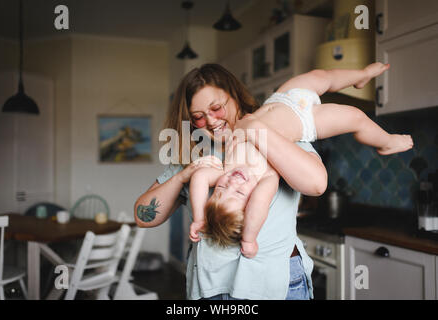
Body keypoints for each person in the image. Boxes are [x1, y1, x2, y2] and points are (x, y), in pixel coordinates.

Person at [135, 63, 341, 300]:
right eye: (198, 117)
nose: (211, 121)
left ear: (235, 96)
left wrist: (254, 128)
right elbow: (143, 217)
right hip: (212, 289)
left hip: (278, 286)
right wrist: (184, 175)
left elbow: (316, 185)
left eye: (216, 108)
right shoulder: (194, 153)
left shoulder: (276, 128)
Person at [188, 63, 413, 258]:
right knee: (356, 118)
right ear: (250, 202)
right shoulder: (265, 179)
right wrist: (249, 239)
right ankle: (387, 141)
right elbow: (259, 208)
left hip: (280, 98)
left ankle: (361, 75)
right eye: (237, 194)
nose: (232, 183)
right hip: (306, 120)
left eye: (219, 191)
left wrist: (199, 219)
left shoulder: (224, 169)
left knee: (322, 76)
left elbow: (198, 178)